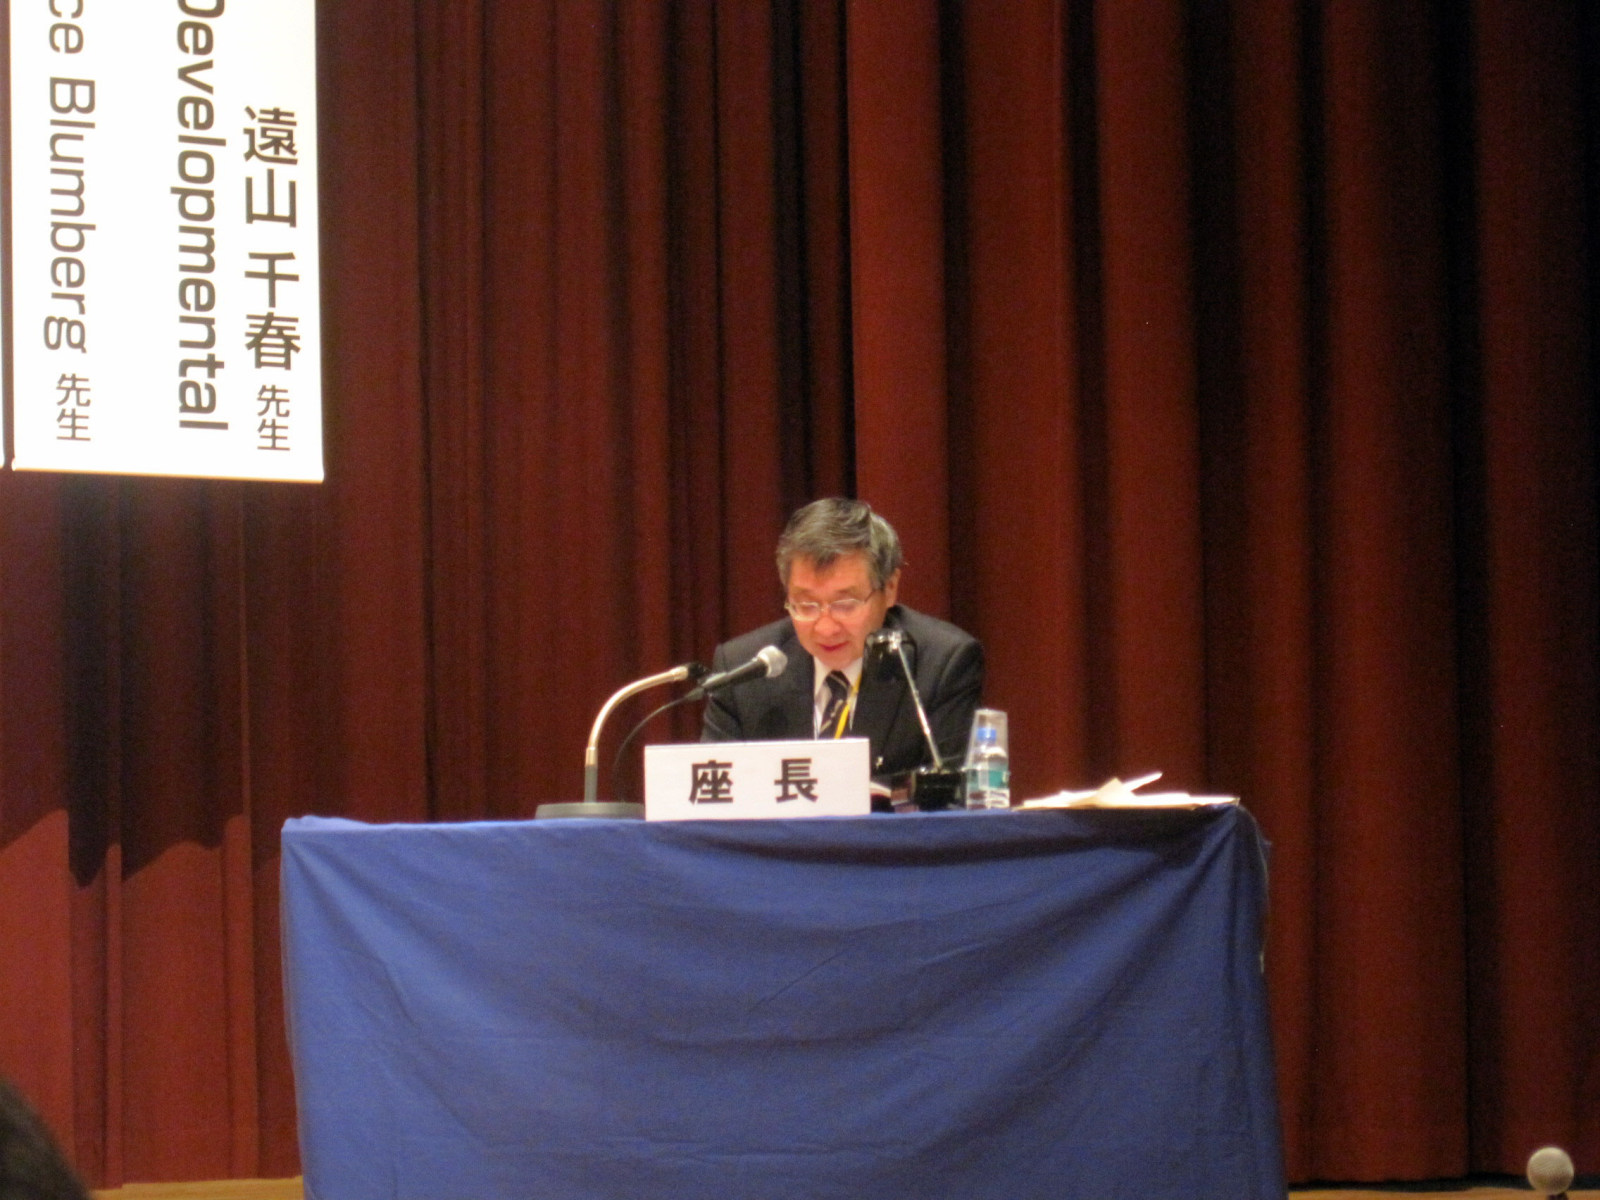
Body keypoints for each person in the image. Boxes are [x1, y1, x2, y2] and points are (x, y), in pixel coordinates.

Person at [701, 498, 983, 807]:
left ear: (890, 588)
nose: (825, 628)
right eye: (806, 605)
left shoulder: (942, 663)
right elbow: (715, 803)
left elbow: (951, 807)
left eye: (845, 604)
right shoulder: (743, 670)